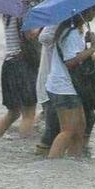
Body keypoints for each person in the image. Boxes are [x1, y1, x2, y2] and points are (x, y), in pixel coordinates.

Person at [47, 5, 95, 158]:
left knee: (79, 130)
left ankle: (75, 164)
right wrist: (93, 49)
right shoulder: (70, 34)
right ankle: (51, 165)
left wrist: (89, 44)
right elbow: (70, 62)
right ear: (85, 12)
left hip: (68, 87)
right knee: (68, 131)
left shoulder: (75, 33)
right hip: (64, 88)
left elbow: (88, 61)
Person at [0, 15, 38, 139]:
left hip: (9, 63)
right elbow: (30, 35)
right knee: (29, 113)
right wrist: (44, 26)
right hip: (22, 64)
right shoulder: (24, 12)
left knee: (13, 113)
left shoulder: (7, 13)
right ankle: (23, 146)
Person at [35, 25, 59, 155]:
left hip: (61, 86)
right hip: (51, 85)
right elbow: (43, 37)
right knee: (52, 129)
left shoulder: (74, 28)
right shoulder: (55, 25)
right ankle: (45, 162)